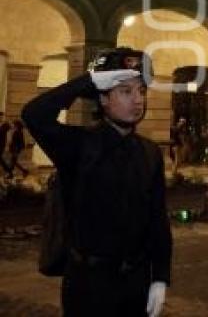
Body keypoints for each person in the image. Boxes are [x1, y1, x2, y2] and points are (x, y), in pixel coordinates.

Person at [20, 47, 171, 317]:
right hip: (89, 284)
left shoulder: (149, 152)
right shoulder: (78, 145)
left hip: (136, 281)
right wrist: (89, 81)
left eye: (141, 91)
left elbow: (157, 220)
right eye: (126, 91)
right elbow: (34, 114)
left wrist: (160, 277)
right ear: (103, 98)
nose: (137, 100)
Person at [0, 112, 12, 177]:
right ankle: (8, 170)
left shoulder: (5, 125)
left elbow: (9, 134)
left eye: (1, 117)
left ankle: (8, 170)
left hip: (1, 144)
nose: (1, 118)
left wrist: (8, 144)